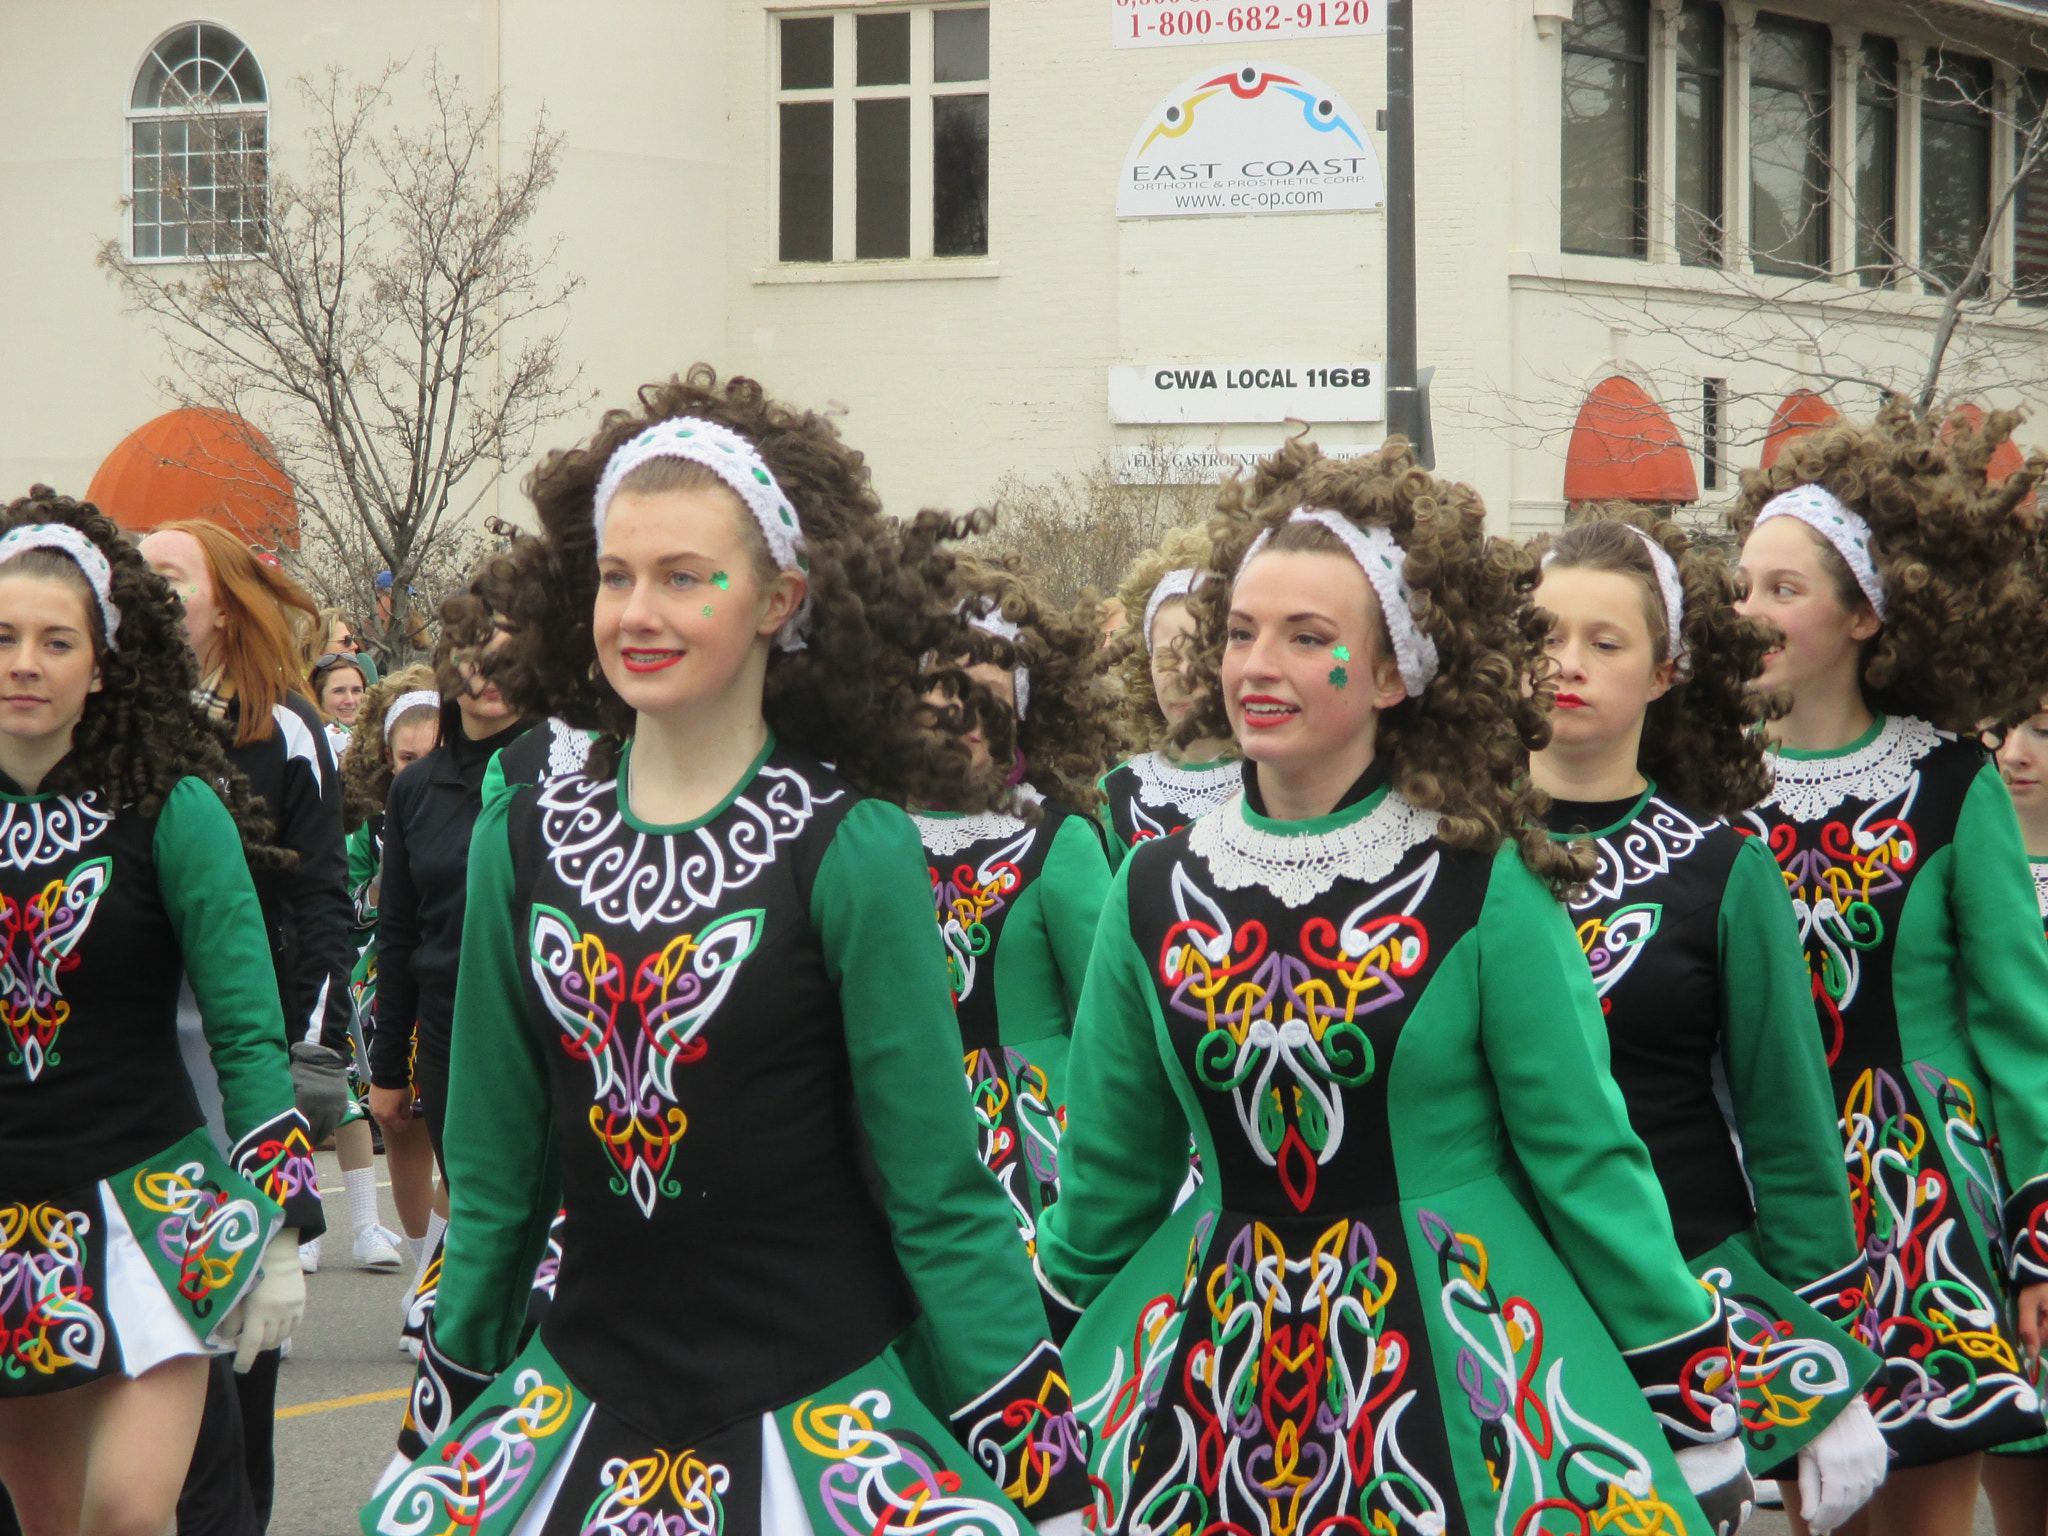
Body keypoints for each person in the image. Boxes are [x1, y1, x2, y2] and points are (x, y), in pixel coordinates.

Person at [360, 369, 1092, 1536]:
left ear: (777, 600)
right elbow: (499, 1189)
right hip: (578, 1413)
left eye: (683, 577)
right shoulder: (525, 832)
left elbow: (938, 1198)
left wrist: (1049, 1483)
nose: (636, 612)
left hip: (816, 1424)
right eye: (614, 575)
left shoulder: (849, 844)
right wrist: (438, 1427)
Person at [1040, 441, 1752, 1536]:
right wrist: (1025, 1365)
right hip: (1208, 1386)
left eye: (1306, 637)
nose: (1254, 666)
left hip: (1457, 1370)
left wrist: (1684, 1385)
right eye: (1239, 632)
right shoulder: (1151, 885)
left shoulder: (1481, 879)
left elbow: (1583, 1157)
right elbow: (1107, 1180)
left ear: (1391, 674)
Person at [1529, 509, 1888, 1531]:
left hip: (1687, 1298)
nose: (1567, 664)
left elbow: (1786, 1130)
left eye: (1604, 642)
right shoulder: (1448, 853)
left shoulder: (1719, 867)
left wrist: (1822, 1357)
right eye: (1544, 637)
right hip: (1498, 1291)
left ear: (1663, 671)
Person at [1731, 404, 2048, 1535]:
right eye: (1743, 587)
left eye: (1784, 588)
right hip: (1766, 1189)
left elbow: (2021, 1024)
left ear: (1864, 613)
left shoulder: (1949, 783)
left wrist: (2038, 1229)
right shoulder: (1706, 790)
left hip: (1925, 1203)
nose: (1750, 611)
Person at [0, 490, 322, 1536]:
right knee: (48, 1524)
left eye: (56, 641)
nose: (25, 663)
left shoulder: (175, 805)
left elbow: (244, 1022)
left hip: (153, 1205)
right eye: (2, 638)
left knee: (132, 1516)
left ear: (103, 663)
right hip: (8, 1222)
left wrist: (280, 1223)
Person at [138, 519, 370, 1532]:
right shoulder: (104, 722)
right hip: (122, 1094)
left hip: (243, 1090)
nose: (141, 591)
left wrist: (305, 1058)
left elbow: (323, 905)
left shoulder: (287, 733)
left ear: (224, 602)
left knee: (236, 1382)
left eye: (165, 576)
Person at [912, 557, 1114, 1288]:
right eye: (941, 689)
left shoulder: (1057, 841)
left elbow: (1111, 1024)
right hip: (897, 1137)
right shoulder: (859, 836)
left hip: (1039, 1152)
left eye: (989, 698)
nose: (961, 716)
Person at [365, 596, 530, 1169]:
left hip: (541, 1033)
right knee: (474, 1204)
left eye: (509, 660)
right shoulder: (414, 789)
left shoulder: (569, 773)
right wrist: (388, 1067)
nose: (488, 677)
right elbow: (399, 932)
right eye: (472, 657)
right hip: (448, 1035)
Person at [339, 668, 446, 1346]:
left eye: (432, 756)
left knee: (458, 1140)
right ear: (387, 758)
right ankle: (423, 1275)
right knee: (403, 1130)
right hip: (384, 989)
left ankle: (438, 1283)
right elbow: (341, 897)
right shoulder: (365, 826)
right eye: (408, 759)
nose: (420, 770)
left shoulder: (478, 801)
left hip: (453, 983)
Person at [1984, 697, 2048, 1536]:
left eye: (2046, 730)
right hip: (2005, 1206)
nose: (2014, 751)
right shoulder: (1966, 866)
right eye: (2002, 728)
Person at [1096, 525, 1238, 868]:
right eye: (1167, 658)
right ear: (1146, 668)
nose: (1183, 677)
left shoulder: (1275, 779)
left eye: (1202, 655)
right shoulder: (1115, 790)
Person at [311, 651, 367, 761]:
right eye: (339, 691)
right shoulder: (310, 745)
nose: (350, 700)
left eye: (356, 691)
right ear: (317, 695)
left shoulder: (377, 742)